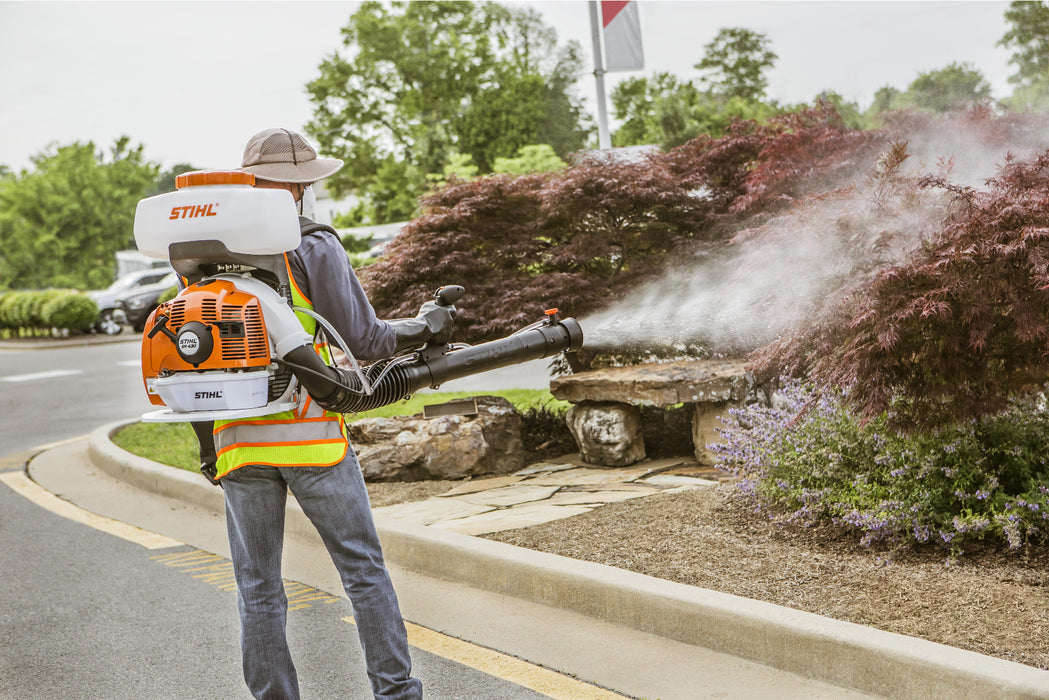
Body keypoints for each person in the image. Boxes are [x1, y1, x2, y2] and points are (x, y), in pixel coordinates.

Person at [194, 128, 449, 699]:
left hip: (239, 440)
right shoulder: (312, 244)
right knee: (363, 573)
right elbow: (364, 337)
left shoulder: (205, 249)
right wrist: (426, 326)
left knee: (258, 589)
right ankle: (396, 693)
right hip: (311, 437)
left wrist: (208, 448)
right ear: (302, 185)